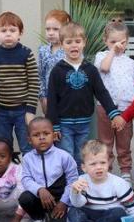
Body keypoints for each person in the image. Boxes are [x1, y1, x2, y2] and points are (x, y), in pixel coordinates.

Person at [47, 22, 119, 169]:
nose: (74, 46)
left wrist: (113, 113)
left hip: (84, 123)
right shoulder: (57, 70)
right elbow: (52, 99)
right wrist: (54, 126)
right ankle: (69, 186)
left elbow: (102, 92)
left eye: (78, 41)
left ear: (84, 42)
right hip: (64, 124)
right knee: (66, 155)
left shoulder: (90, 69)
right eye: (69, 42)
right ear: (61, 44)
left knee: (82, 156)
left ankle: (82, 187)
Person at [67, 140, 134, 222]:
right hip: (92, 215)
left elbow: (132, 206)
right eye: (93, 164)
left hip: (110, 220)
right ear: (84, 167)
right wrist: (75, 192)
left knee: (118, 213)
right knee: (73, 210)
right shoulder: (82, 180)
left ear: (109, 162)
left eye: (103, 163)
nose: (99, 167)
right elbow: (78, 204)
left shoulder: (118, 183)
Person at [0, 11, 40, 155]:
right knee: (3, 146)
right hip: (0, 111)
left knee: (27, 146)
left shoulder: (26, 54)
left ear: (20, 33)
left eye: (12, 30)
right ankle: (6, 177)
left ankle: (30, 175)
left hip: (22, 111)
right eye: (3, 31)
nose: (8, 34)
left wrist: (30, 110)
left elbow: (34, 83)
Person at [18, 117, 79, 222]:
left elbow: (73, 180)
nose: (41, 138)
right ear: (29, 140)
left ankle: (58, 214)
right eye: (36, 135)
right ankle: (39, 217)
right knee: (25, 198)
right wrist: (39, 190)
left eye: (46, 133)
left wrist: (63, 203)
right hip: (39, 198)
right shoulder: (27, 158)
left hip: (60, 199)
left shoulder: (64, 156)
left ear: (54, 135)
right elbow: (26, 179)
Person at [94, 21, 134, 182]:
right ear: (105, 41)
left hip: (126, 109)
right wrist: (112, 51)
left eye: (122, 42)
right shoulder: (102, 57)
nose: (118, 45)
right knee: (105, 142)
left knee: (124, 142)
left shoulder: (131, 63)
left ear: (127, 42)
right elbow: (105, 68)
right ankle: (107, 170)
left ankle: (125, 171)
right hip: (105, 107)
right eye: (113, 42)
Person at [38, 9, 72, 114]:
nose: (51, 33)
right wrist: (43, 97)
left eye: (55, 29)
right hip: (49, 98)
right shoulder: (43, 50)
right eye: (48, 29)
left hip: (68, 99)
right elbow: (41, 75)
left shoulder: (71, 49)